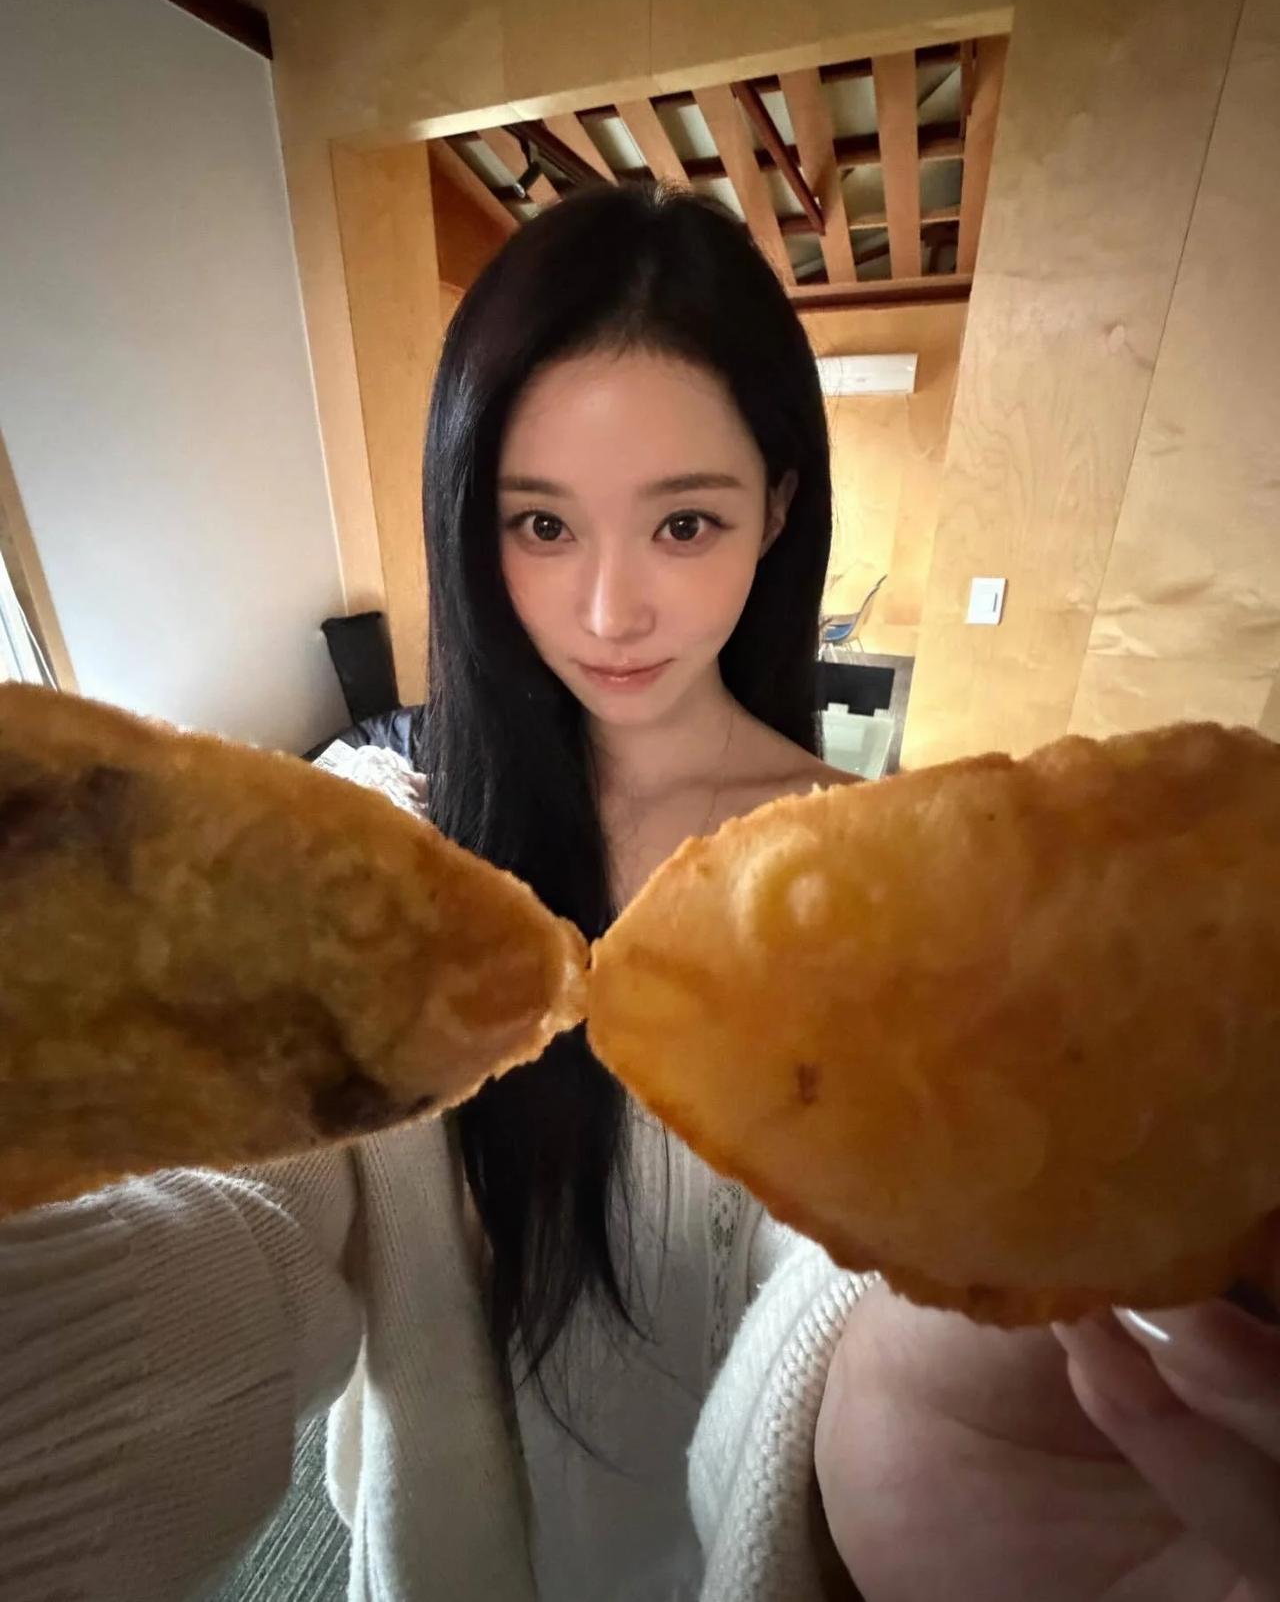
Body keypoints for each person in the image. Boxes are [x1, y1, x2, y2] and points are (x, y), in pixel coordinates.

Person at [0, 183, 1276, 1602]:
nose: (611, 610)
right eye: (543, 526)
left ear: (776, 507)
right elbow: (257, 1213)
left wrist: (941, 1386)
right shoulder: (389, 855)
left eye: (684, 524)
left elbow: (865, 1259)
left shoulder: (883, 902)